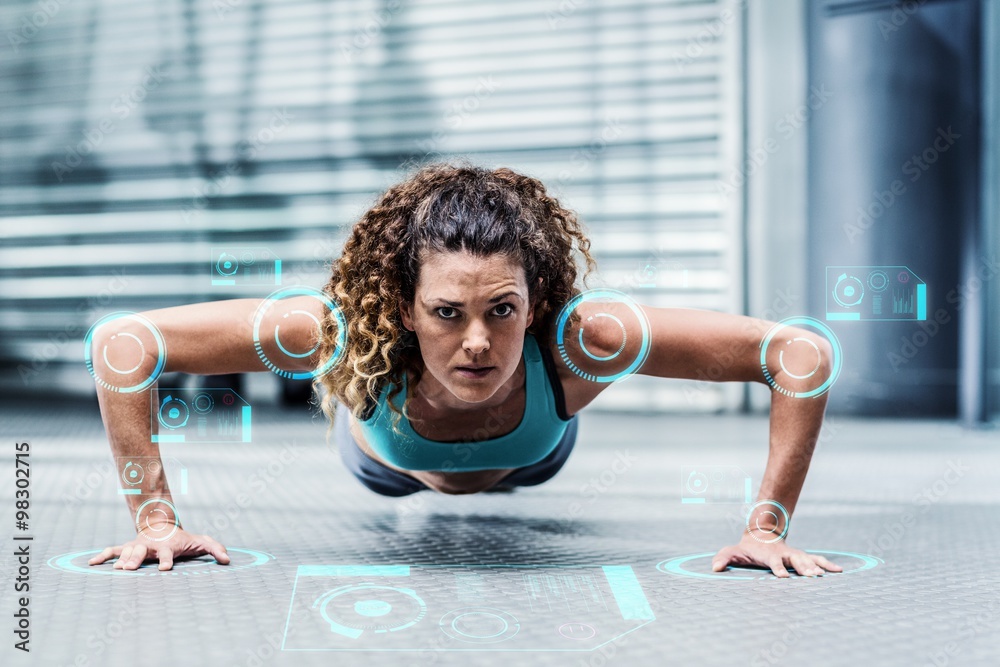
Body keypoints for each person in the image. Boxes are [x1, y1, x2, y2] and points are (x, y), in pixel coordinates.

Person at [87, 163, 842, 578]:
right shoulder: (338, 332)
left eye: (502, 311)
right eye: (448, 312)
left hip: (534, 458)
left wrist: (765, 527)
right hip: (386, 465)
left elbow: (799, 352)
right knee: (371, 430)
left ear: (536, 299)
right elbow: (124, 344)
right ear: (406, 308)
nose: (477, 341)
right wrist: (156, 519)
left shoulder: (585, 341)